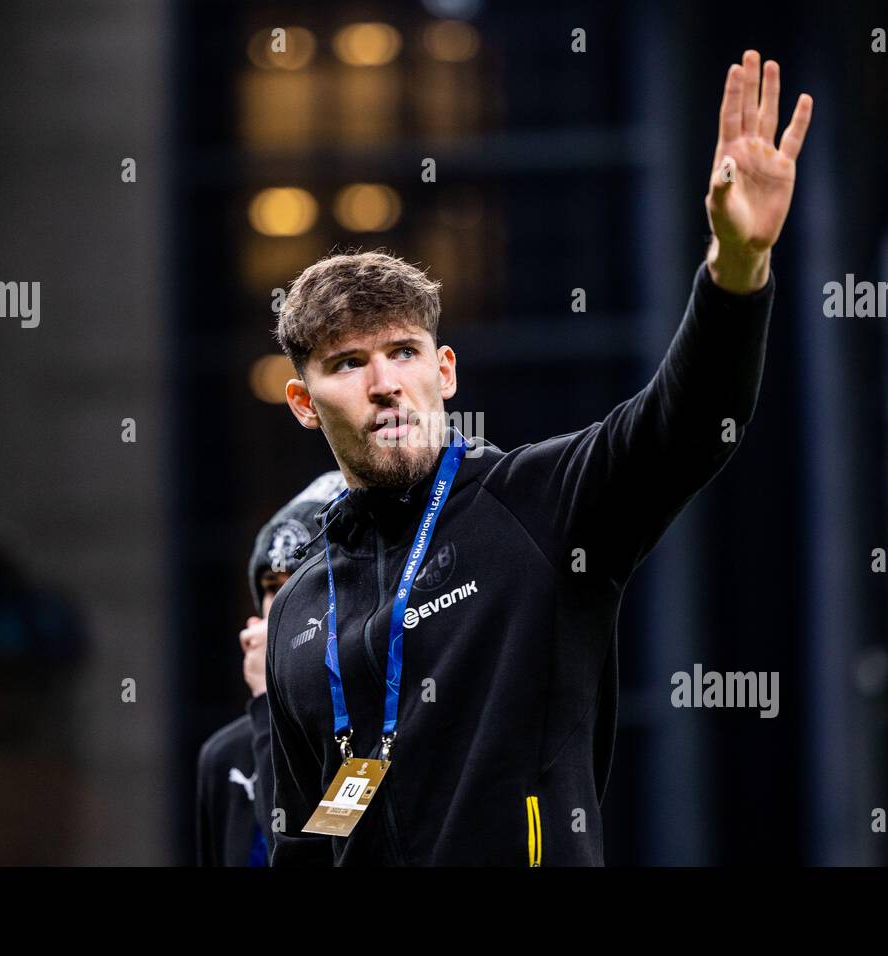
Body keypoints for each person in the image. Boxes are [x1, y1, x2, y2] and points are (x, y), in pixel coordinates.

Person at [264, 50, 812, 865]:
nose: (385, 384)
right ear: (304, 403)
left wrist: (737, 265)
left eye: (405, 352)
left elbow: (686, 421)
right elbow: (308, 843)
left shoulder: (535, 503)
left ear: (445, 373)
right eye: (348, 364)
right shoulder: (300, 608)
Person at [195, 471, 345, 866]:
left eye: (301, 582)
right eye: (270, 587)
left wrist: (268, 702)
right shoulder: (225, 756)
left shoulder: (377, 733)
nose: (281, 607)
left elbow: (316, 855)